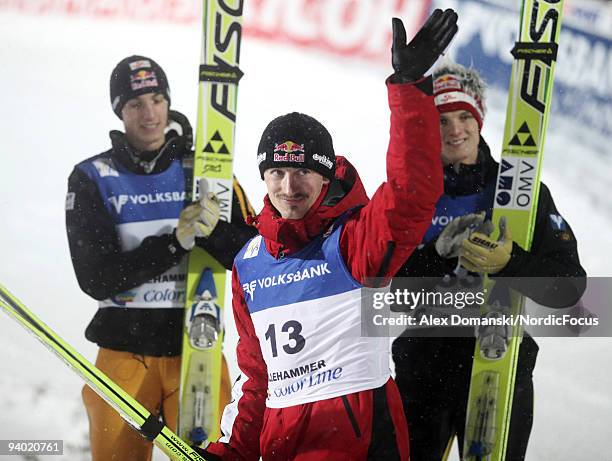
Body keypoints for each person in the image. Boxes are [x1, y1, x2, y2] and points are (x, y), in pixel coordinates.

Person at [194, 9, 459, 461]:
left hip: (358, 438)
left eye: (301, 173)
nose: (288, 187)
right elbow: (256, 379)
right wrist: (231, 452)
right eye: (276, 172)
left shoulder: (354, 241)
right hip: (283, 442)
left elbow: (412, 194)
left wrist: (410, 90)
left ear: (325, 177)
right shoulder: (251, 263)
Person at [391, 61, 587, 461]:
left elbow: (568, 288)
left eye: (465, 116)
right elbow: (386, 292)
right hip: (423, 370)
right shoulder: (412, 193)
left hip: (501, 367)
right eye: (442, 120)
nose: (455, 130)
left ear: (480, 117)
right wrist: (435, 255)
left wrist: (509, 262)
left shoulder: (522, 194)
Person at [65, 55, 257, 461]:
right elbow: (95, 277)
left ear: (168, 102)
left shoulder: (207, 169)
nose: (149, 114)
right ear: (120, 110)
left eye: (156, 99)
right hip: (122, 355)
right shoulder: (92, 176)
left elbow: (254, 255)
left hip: (197, 351)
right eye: (135, 104)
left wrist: (215, 234)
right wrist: (176, 242)